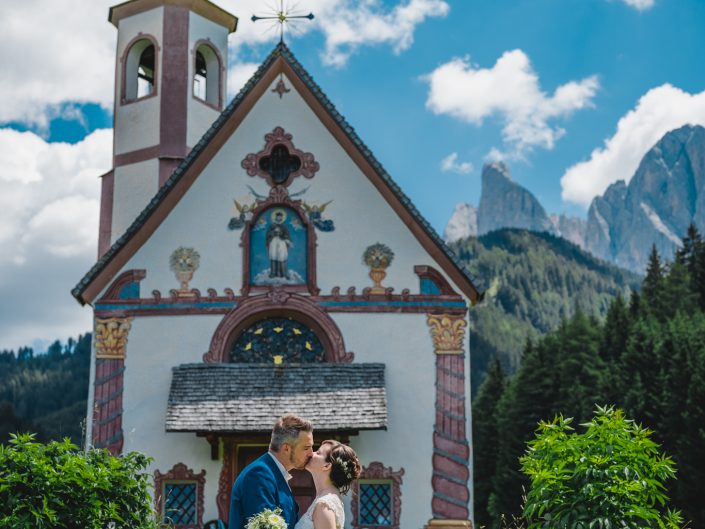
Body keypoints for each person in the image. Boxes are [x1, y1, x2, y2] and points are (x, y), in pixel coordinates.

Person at [228, 415, 314, 529]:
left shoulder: (275, 473)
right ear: (286, 448)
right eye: (306, 448)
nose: (311, 453)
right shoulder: (259, 474)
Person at [294, 440, 361, 529]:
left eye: (318, 453)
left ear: (327, 466)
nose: (311, 454)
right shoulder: (327, 499)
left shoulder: (324, 505)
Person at [265, 210, 292, 279]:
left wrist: (282, 235)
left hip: (281, 242)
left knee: (281, 257)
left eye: (280, 217)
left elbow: (287, 235)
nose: (279, 218)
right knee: (273, 256)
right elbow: (268, 234)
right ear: (275, 217)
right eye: (278, 217)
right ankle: (273, 273)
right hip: (273, 242)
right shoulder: (272, 225)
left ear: (282, 218)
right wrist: (274, 232)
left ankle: (283, 273)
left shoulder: (284, 226)